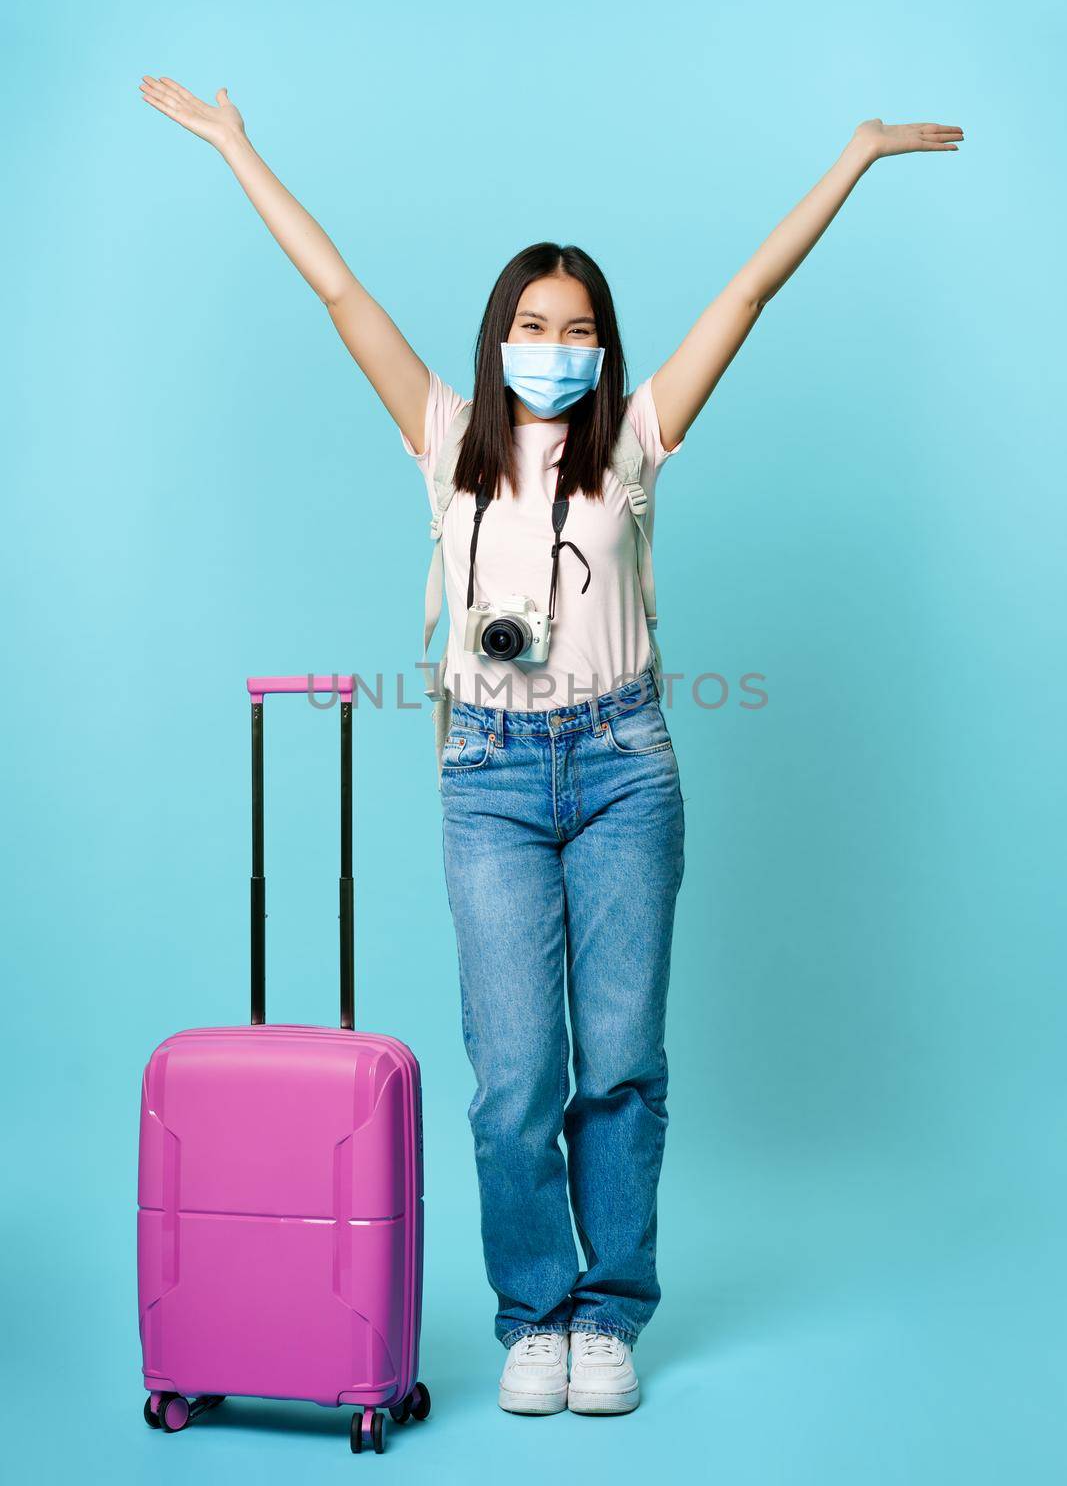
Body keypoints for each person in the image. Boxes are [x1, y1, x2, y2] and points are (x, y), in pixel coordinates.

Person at [138, 75, 963, 1415]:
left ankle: (610, 1315)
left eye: (579, 329)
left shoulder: (633, 443)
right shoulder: (443, 441)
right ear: (497, 336)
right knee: (515, 1073)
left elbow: (742, 300)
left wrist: (854, 160)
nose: (555, 344)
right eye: (533, 323)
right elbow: (341, 294)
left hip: (627, 766)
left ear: (604, 347)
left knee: (623, 1060)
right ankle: (534, 1314)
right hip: (491, 780)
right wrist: (239, 148)